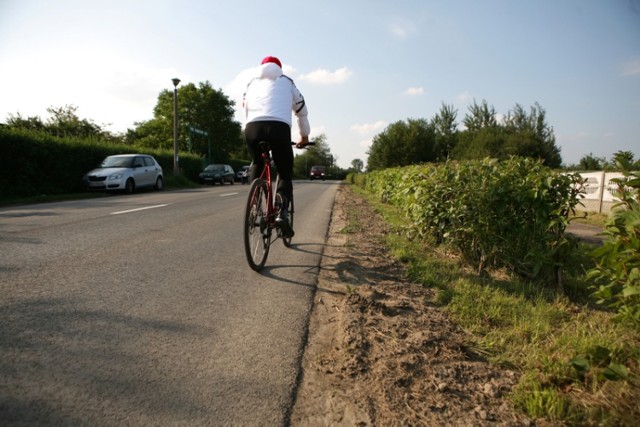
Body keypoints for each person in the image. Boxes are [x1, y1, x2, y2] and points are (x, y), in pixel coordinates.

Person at [242, 55, 310, 238]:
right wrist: (304, 136)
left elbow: (245, 107)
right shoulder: (287, 82)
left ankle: (254, 205)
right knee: (284, 171)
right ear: (280, 69)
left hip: (252, 128)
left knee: (257, 161)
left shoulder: (251, 83)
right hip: (279, 129)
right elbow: (301, 110)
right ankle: (282, 212)